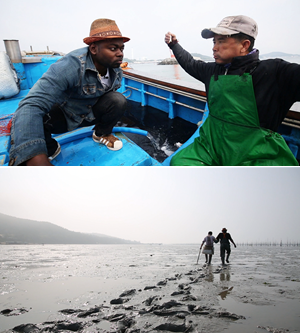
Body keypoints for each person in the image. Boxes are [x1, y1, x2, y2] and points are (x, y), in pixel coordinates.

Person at [165, 15, 300, 166]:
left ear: (244, 45)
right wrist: (174, 45)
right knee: (179, 162)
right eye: (214, 41)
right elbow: (190, 63)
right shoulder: (212, 70)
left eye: (221, 41)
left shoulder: (276, 72)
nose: (214, 47)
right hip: (211, 146)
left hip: (254, 155)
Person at [9, 18, 130, 166]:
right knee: (33, 115)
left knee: (118, 100)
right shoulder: (71, 65)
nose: (120, 54)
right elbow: (31, 104)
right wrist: (34, 158)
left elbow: (109, 98)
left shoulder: (115, 69)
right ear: (93, 49)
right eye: (113, 48)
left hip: (89, 114)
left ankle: (101, 133)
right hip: (65, 115)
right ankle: (49, 147)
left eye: (121, 48)